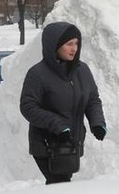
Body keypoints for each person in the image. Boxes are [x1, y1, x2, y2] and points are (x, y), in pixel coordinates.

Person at [20, 21, 107, 184]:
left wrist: (97, 122)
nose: (74, 48)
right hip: (48, 145)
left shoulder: (82, 71)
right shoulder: (38, 74)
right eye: (69, 44)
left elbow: (92, 100)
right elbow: (27, 106)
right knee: (59, 185)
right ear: (55, 45)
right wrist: (57, 125)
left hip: (72, 142)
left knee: (60, 188)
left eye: (76, 43)